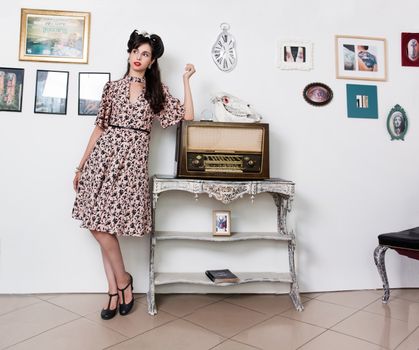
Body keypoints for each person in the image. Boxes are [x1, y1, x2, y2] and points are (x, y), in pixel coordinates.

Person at [72, 30, 195, 320]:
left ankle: (116, 290)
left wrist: (187, 81)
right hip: (102, 160)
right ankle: (120, 283)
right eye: (136, 52)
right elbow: (100, 127)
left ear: (152, 62)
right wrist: (81, 165)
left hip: (130, 167)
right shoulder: (112, 88)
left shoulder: (157, 92)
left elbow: (187, 116)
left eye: (145, 54)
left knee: (106, 227)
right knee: (98, 224)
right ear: (128, 54)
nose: (139, 58)